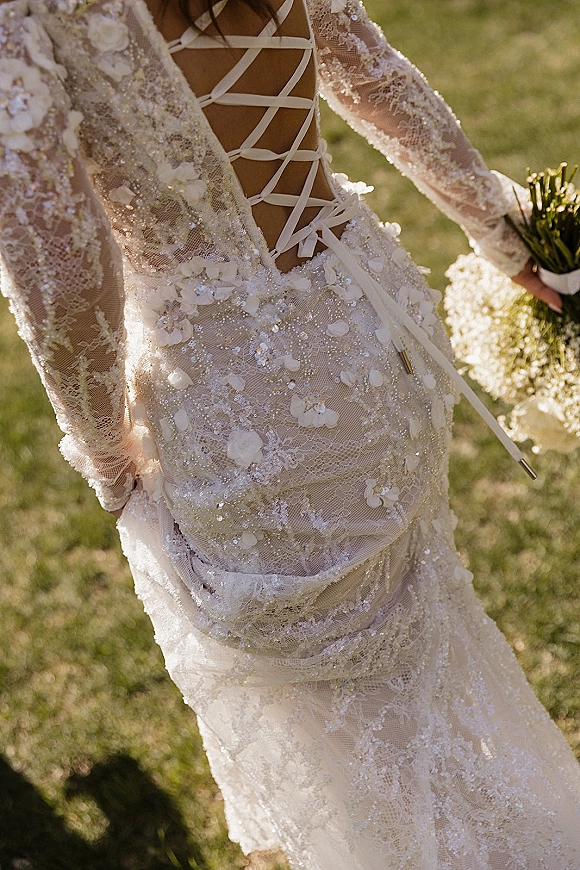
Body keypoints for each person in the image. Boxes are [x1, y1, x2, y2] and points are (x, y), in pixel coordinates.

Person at [0, 0, 578, 867]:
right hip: (372, 326)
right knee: (420, 666)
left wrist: (106, 448)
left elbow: (64, 269)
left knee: (354, 745)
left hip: (242, 400)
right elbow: (370, 73)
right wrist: (502, 233)